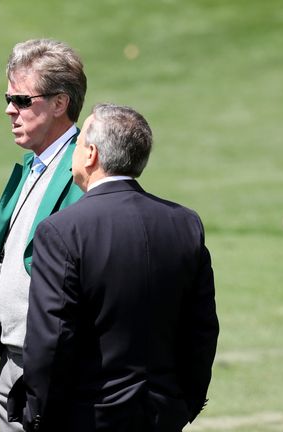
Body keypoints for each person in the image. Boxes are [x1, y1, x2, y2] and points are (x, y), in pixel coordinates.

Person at [15, 103, 219, 431]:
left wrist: (38, 414)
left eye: (78, 144)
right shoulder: (184, 224)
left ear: (91, 154)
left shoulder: (62, 230)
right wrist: (186, 403)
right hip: (164, 414)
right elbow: (201, 329)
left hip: (88, 416)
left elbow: (52, 338)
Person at [0, 38, 87, 431]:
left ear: (60, 103)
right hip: (12, 358)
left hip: (53, 364)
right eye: (7, 97)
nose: (9, 110)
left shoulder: (85, 168)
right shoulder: (35, 165)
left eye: (22, 100)